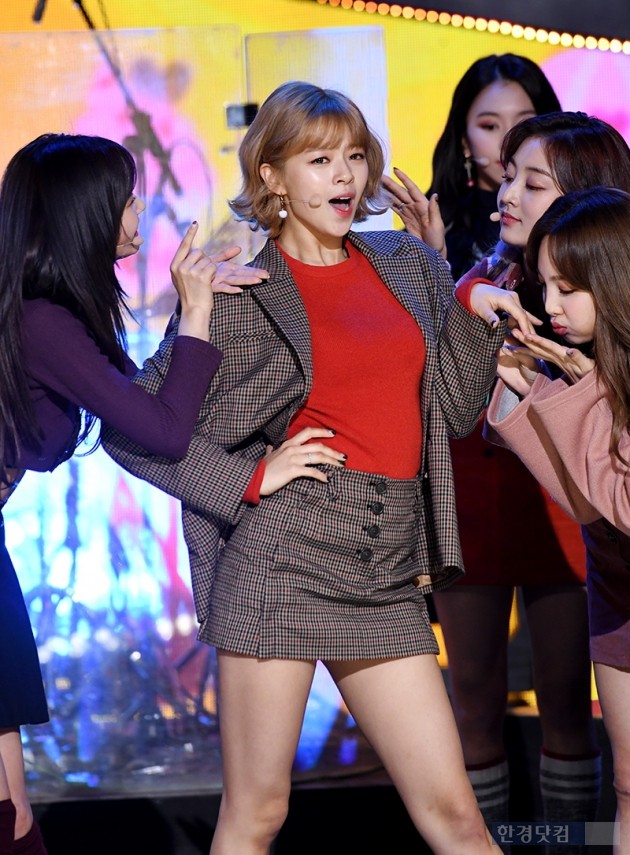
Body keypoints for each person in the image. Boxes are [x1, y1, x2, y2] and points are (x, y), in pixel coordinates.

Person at [101, 80, 537, 855]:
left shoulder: (407, 263)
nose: (345, 176)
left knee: (457, 819)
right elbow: (129, 427)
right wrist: (249, 479)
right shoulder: (241, 292)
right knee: (256, 816)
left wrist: (469, 313)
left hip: (387, 571)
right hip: (284, 563)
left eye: (355, 157)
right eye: (320, 159)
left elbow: (453, 409)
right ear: (270, 175)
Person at [0, 132, 268, 855]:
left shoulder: (50, 313)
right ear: (85, 214)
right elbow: (165, 430)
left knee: (13, 809)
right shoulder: (43, 321)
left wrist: (196, 307)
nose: (139, 209)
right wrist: (197, 315)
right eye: (126, 198)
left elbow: (145, 397)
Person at [385, 109, 630, 849]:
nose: (508, 191)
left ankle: (565, 842)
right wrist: (438, 273)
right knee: (473, 698)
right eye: (507, 172)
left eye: (534, 180)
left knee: (568, 703)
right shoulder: (491, 280)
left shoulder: (595, 305)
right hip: (485, 507)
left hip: (576, 519)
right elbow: (441, 379)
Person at [486, 184, 630, 855]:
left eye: (567, 288)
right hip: (617, 589)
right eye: (544, 286)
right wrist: (536, 389)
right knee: (628, 787)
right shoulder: (587, 363)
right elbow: (587, 502)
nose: (550, 306)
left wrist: (578, 391)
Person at [382, 53, 560, 280]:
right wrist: (430, 259)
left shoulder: (576, 226)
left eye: (524, 124)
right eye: (490, 126)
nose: (508, 141)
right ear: (464, 140)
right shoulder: (430, 234)